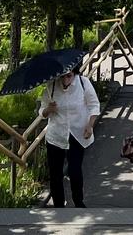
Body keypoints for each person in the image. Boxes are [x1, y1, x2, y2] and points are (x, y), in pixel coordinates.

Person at [40, 62, 101, 207]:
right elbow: (42, 113)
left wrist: (90, 125)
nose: (66, 80)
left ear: (74, 73)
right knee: (55, 174)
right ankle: (59, 206)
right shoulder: (52, 87)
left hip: (77, 133)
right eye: (62, 77)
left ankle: (78, 202)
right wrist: (49, 109)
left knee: (75, 171)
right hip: (56, 135)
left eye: (69, 76)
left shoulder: (83, 83)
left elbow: (94, 105)